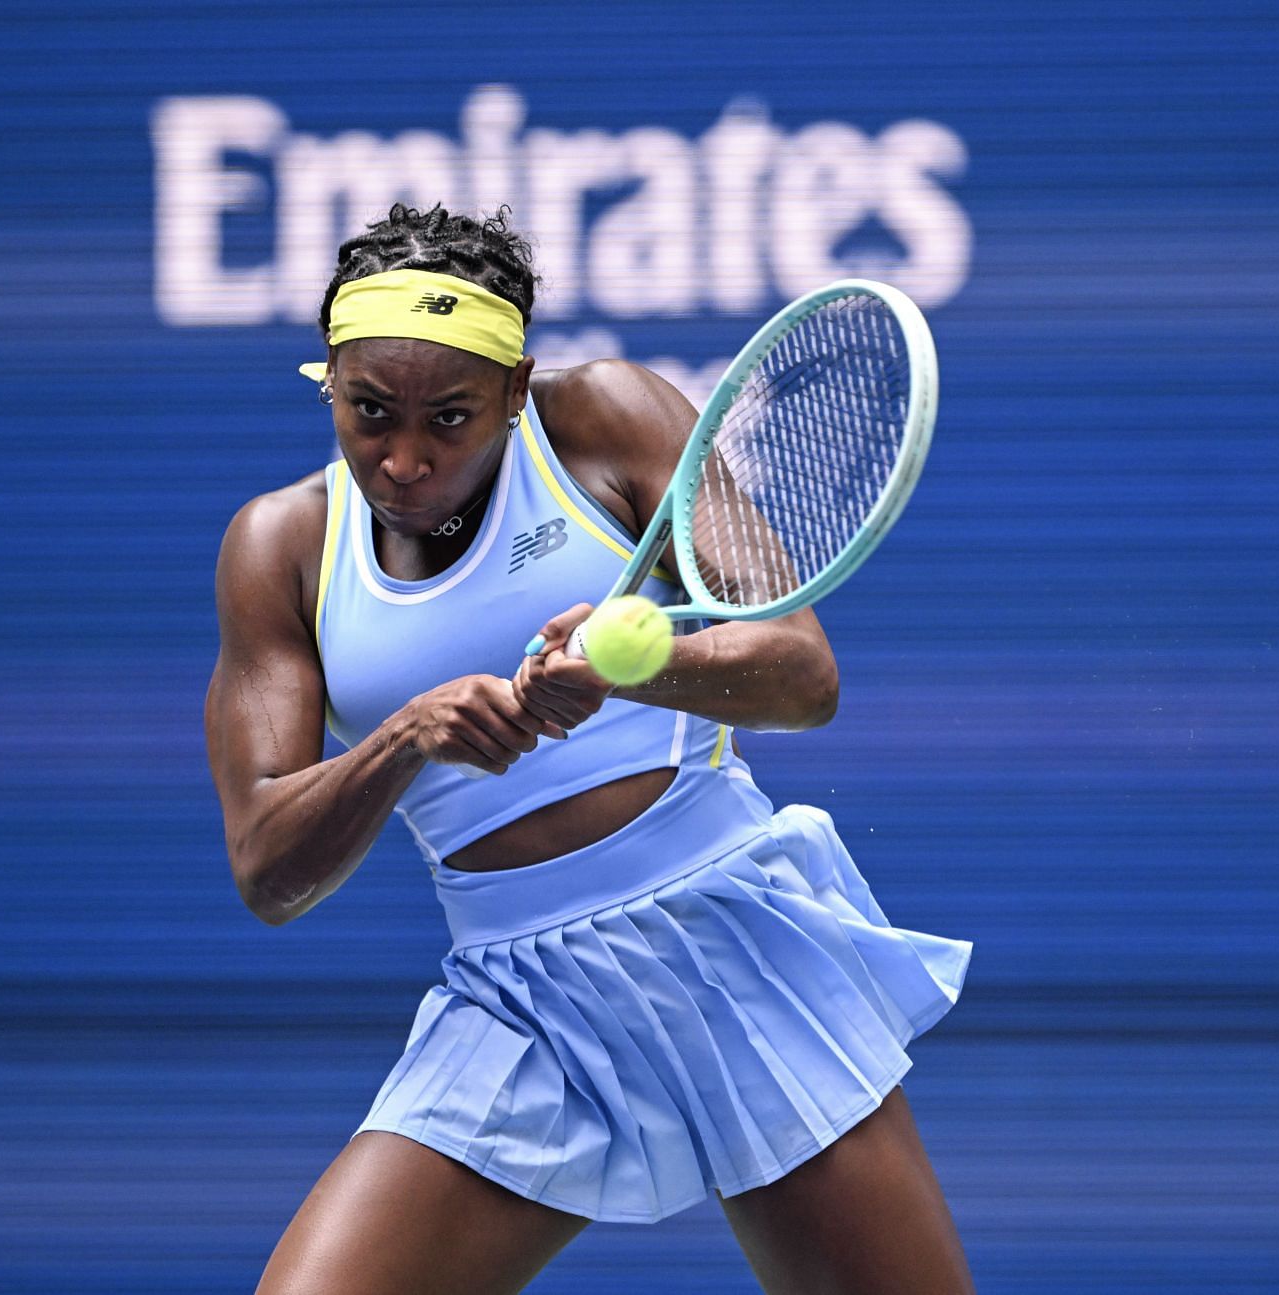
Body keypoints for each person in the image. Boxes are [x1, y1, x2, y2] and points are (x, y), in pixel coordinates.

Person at [205, 201, 976, 1294]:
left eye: (452, 419)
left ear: (517, 391)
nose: (406, 460)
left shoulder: (602, 416)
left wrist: (636, 661)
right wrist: (408, 735)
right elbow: (268, 870)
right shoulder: (276, 548)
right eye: (369, 410)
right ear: (326, 378)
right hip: (516, 1007)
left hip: (729, 949)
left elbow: (806, 676)